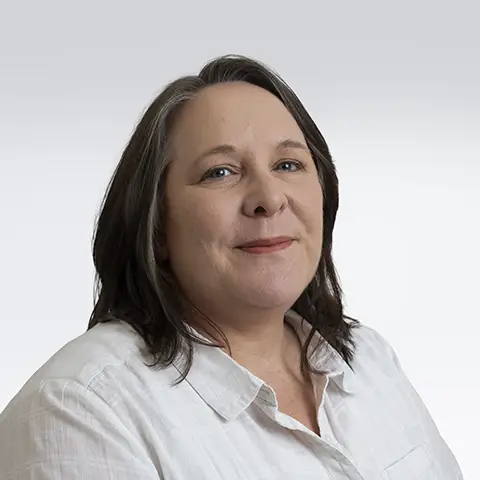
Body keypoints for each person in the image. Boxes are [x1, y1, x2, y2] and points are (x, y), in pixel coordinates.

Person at [0, 55, 463, 480]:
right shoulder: (81, 411)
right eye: (220, 172)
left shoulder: (367, 359)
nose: (269, 198)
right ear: (155, 225)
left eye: (288, 164)